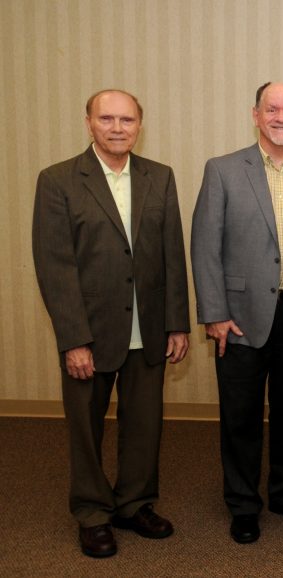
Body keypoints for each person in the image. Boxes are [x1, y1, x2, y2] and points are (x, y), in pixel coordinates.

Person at [32, 89, 190, 558]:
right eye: (107, 119)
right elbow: (54, 266)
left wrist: (177, 324)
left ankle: (135, 503)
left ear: (140, 125)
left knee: (144, 425)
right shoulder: (58, 180)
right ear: (89, 123)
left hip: (151, 329)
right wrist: (74, 339)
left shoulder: (159, 177)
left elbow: (172, 257)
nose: (117, 127)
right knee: (85, 426)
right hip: (91, 332)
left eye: (127, 119)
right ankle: (93, 512)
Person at [191, 82, 283, 544]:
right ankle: (243, 504)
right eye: (273, 109)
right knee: (240, 416)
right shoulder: (224, 169)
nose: (282, 118)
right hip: (240, 314)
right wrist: (214, 313)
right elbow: (205, 246)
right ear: (256, 115)